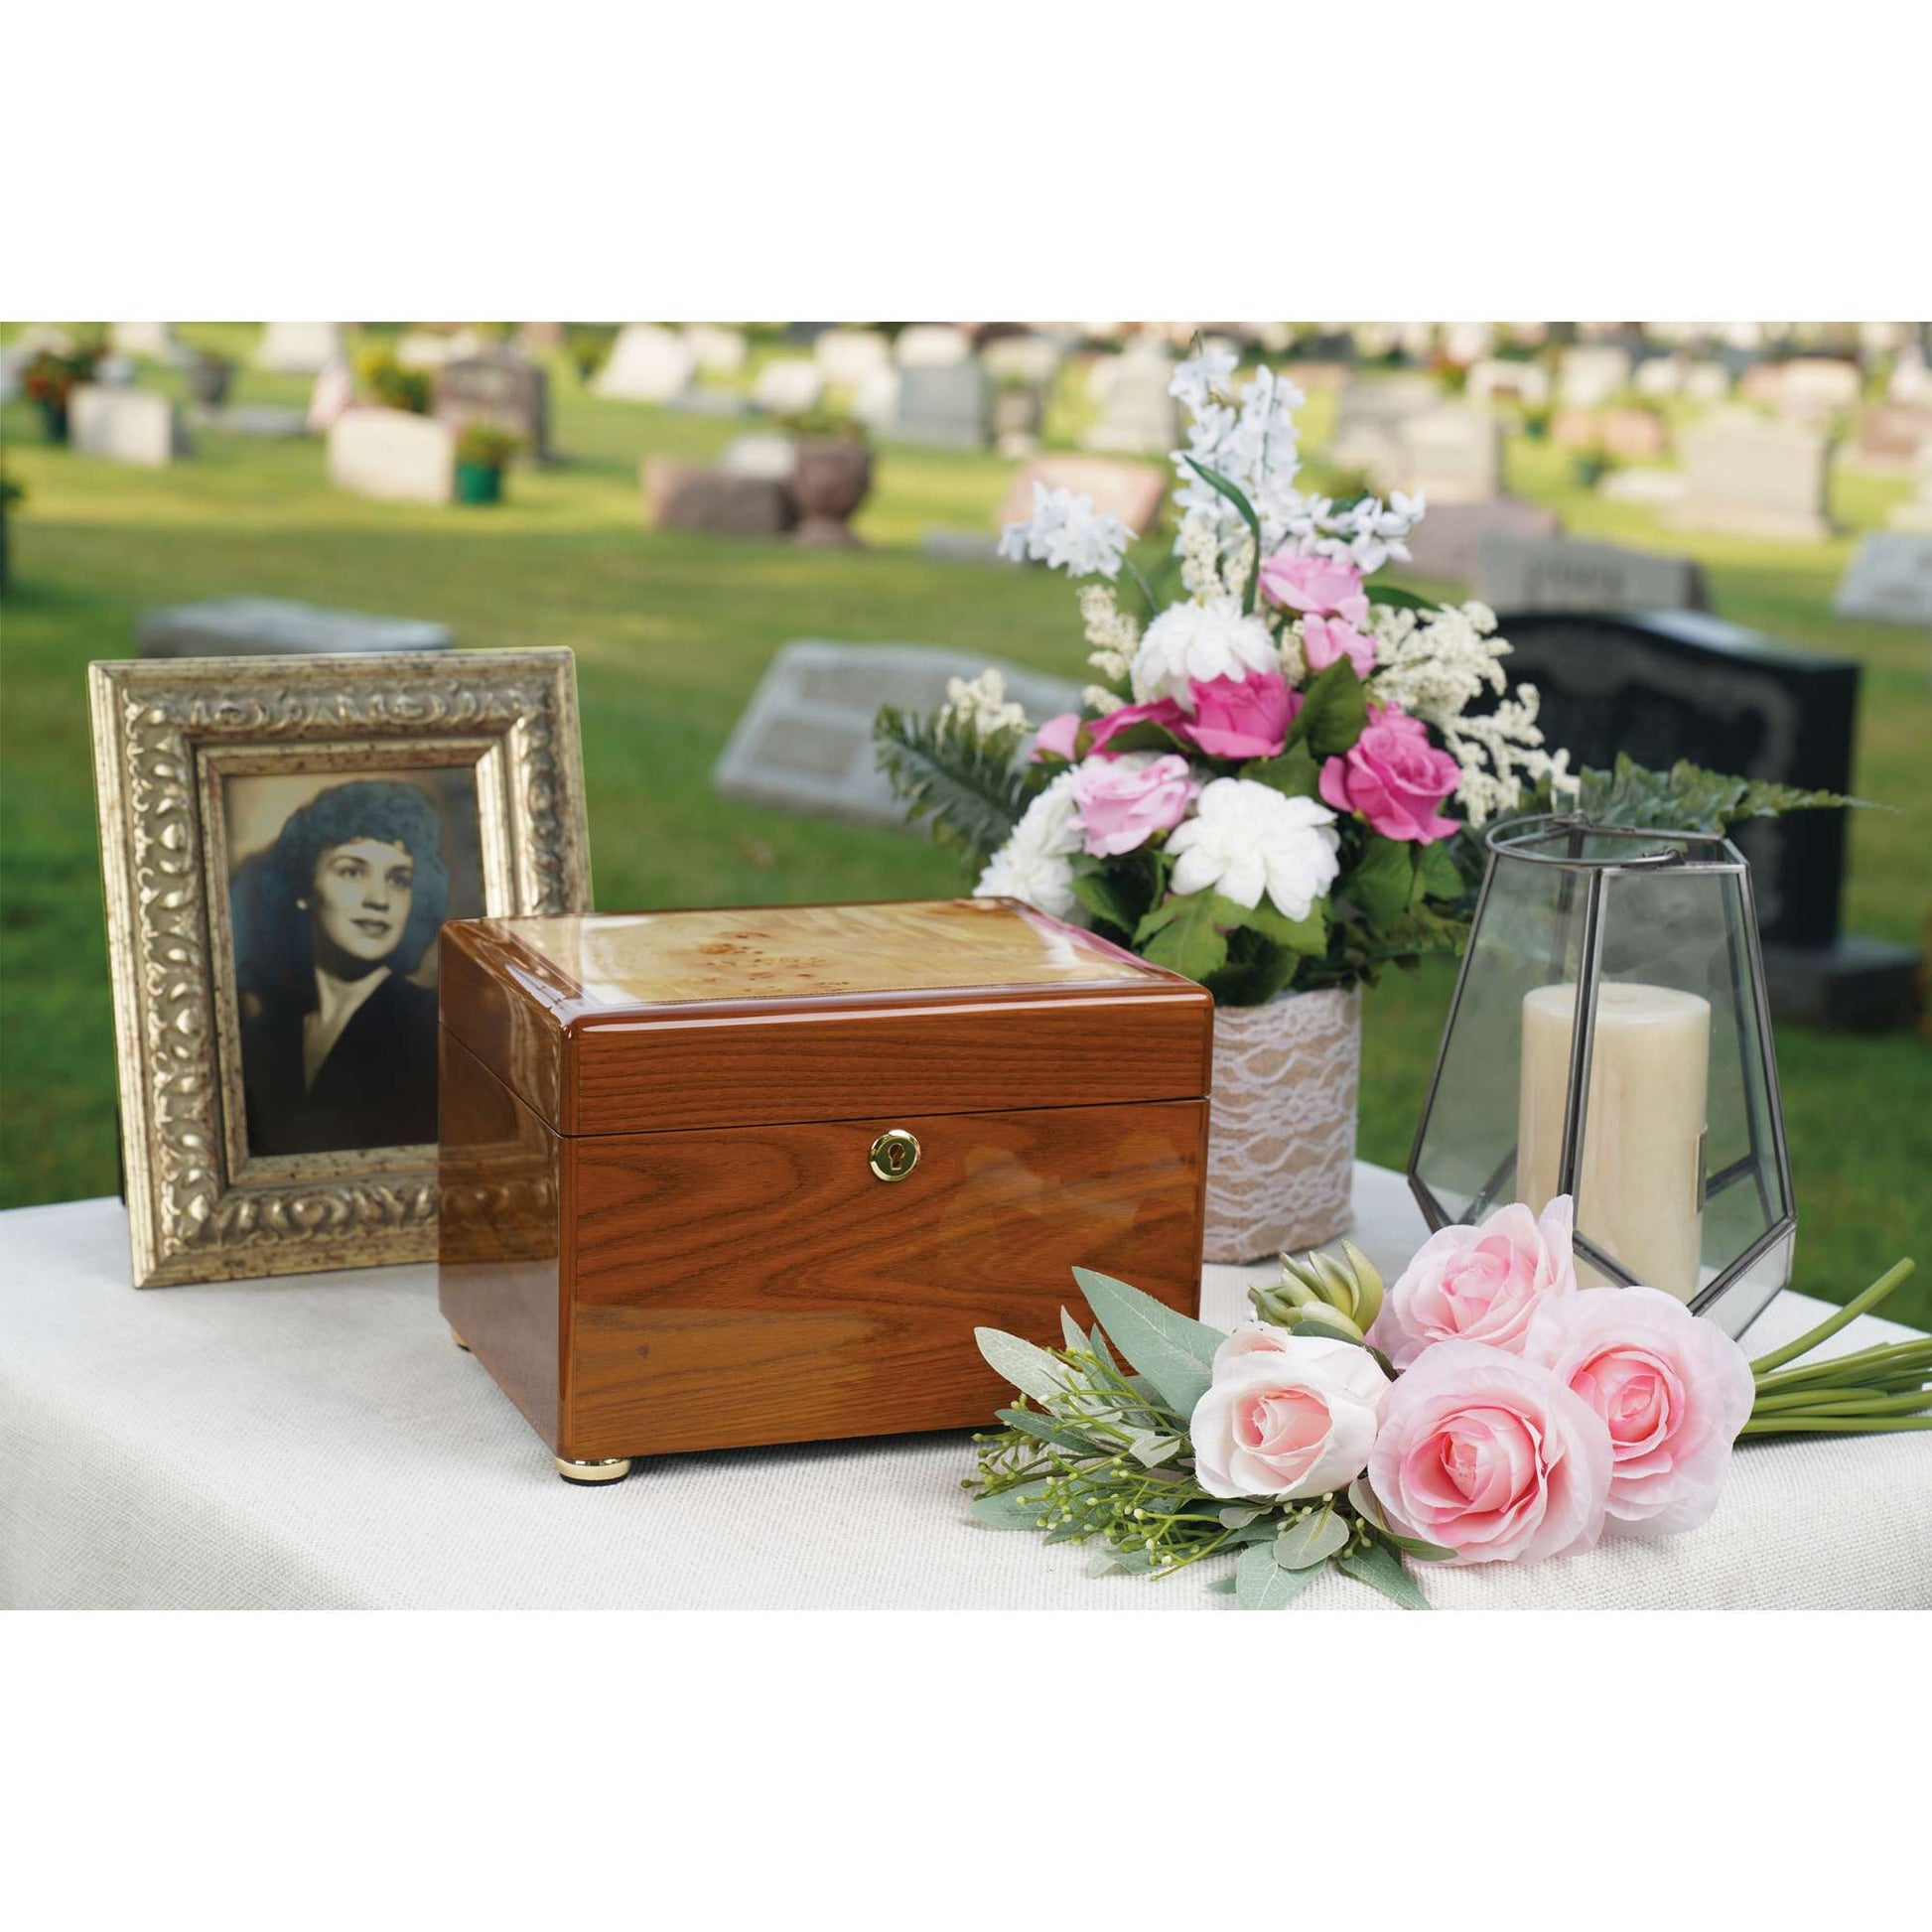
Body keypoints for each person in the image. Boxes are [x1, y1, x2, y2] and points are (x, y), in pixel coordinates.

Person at [237, 779, 451, 1157]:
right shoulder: (257, 1039)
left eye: (399, 879)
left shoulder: (439, 1029)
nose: (379, 899)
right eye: (352, 872)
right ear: (304, 888)